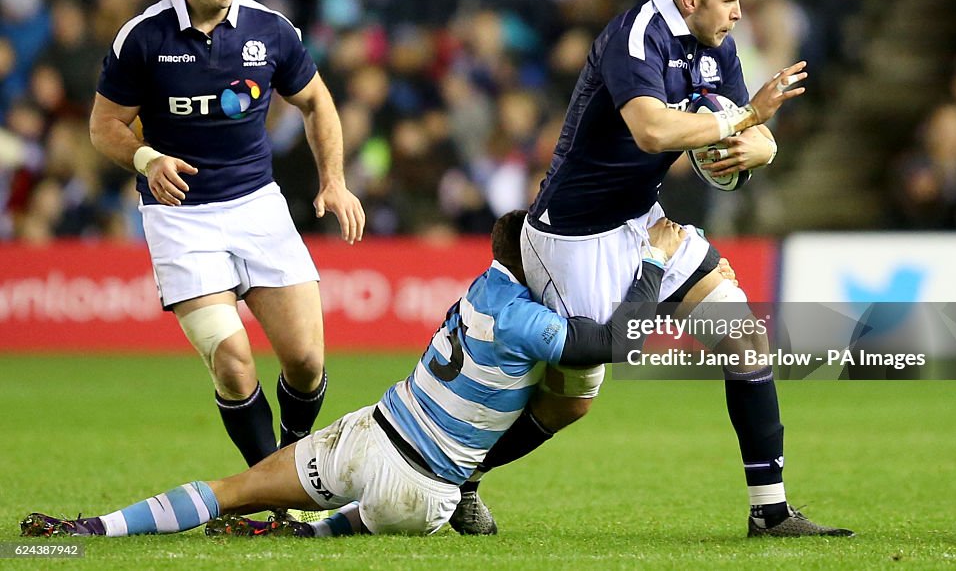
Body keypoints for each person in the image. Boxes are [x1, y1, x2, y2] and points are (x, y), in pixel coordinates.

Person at [457, 0, 853, 538]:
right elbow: (651, 131)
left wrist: (761, 146)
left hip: (645, 220)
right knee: (573, 399)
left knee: (744, 339)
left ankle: (769, 512)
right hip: (574, 236)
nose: (739, 12)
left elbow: (744, 132)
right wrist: (744, 122)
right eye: (729, 0)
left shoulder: (716, 46)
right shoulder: (636, 35)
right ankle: (458, 477)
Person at [21, 212, 683, 538]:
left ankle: (94, 530)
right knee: (311, 537)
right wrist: (650, 263)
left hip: (370, 432)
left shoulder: (479, 290)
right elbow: (616, 340)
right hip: (421, 488)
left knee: (233, 488)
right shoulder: (526, 320)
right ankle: (304, 532)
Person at [88, 0, 365, 470]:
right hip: (180, 217)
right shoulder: (142, 38)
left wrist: (333, 181)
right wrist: (147, 158)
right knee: (234, 361)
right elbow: (104, 126)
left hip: (258, 207)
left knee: (307, 361)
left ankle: (291, 459)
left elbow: (316, 101)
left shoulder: (270, 30)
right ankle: (272, 487)